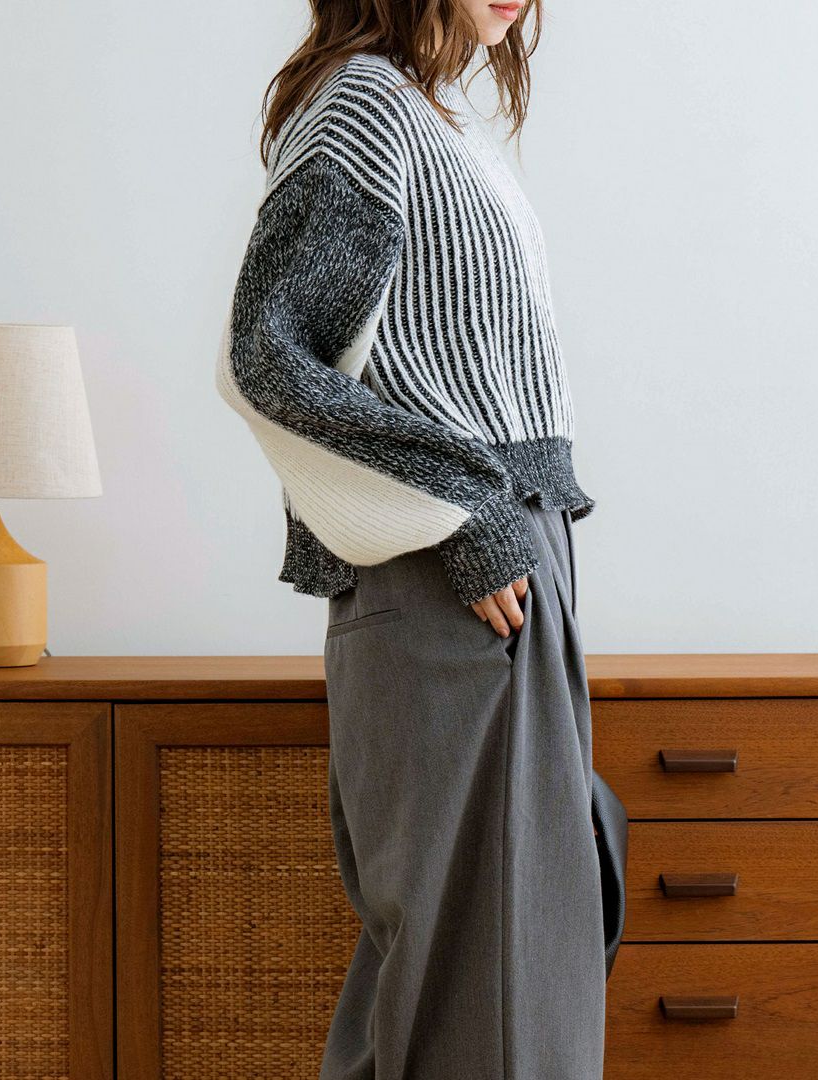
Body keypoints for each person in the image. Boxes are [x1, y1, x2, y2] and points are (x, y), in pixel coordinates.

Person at [216, 1, 605, 1075]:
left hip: (502, 567)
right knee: (477, 988)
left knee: (504, 970)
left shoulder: (439, 119)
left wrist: (500, 525)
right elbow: (267, 355)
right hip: (450, 581)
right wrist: (469, 515)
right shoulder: (366, 108)